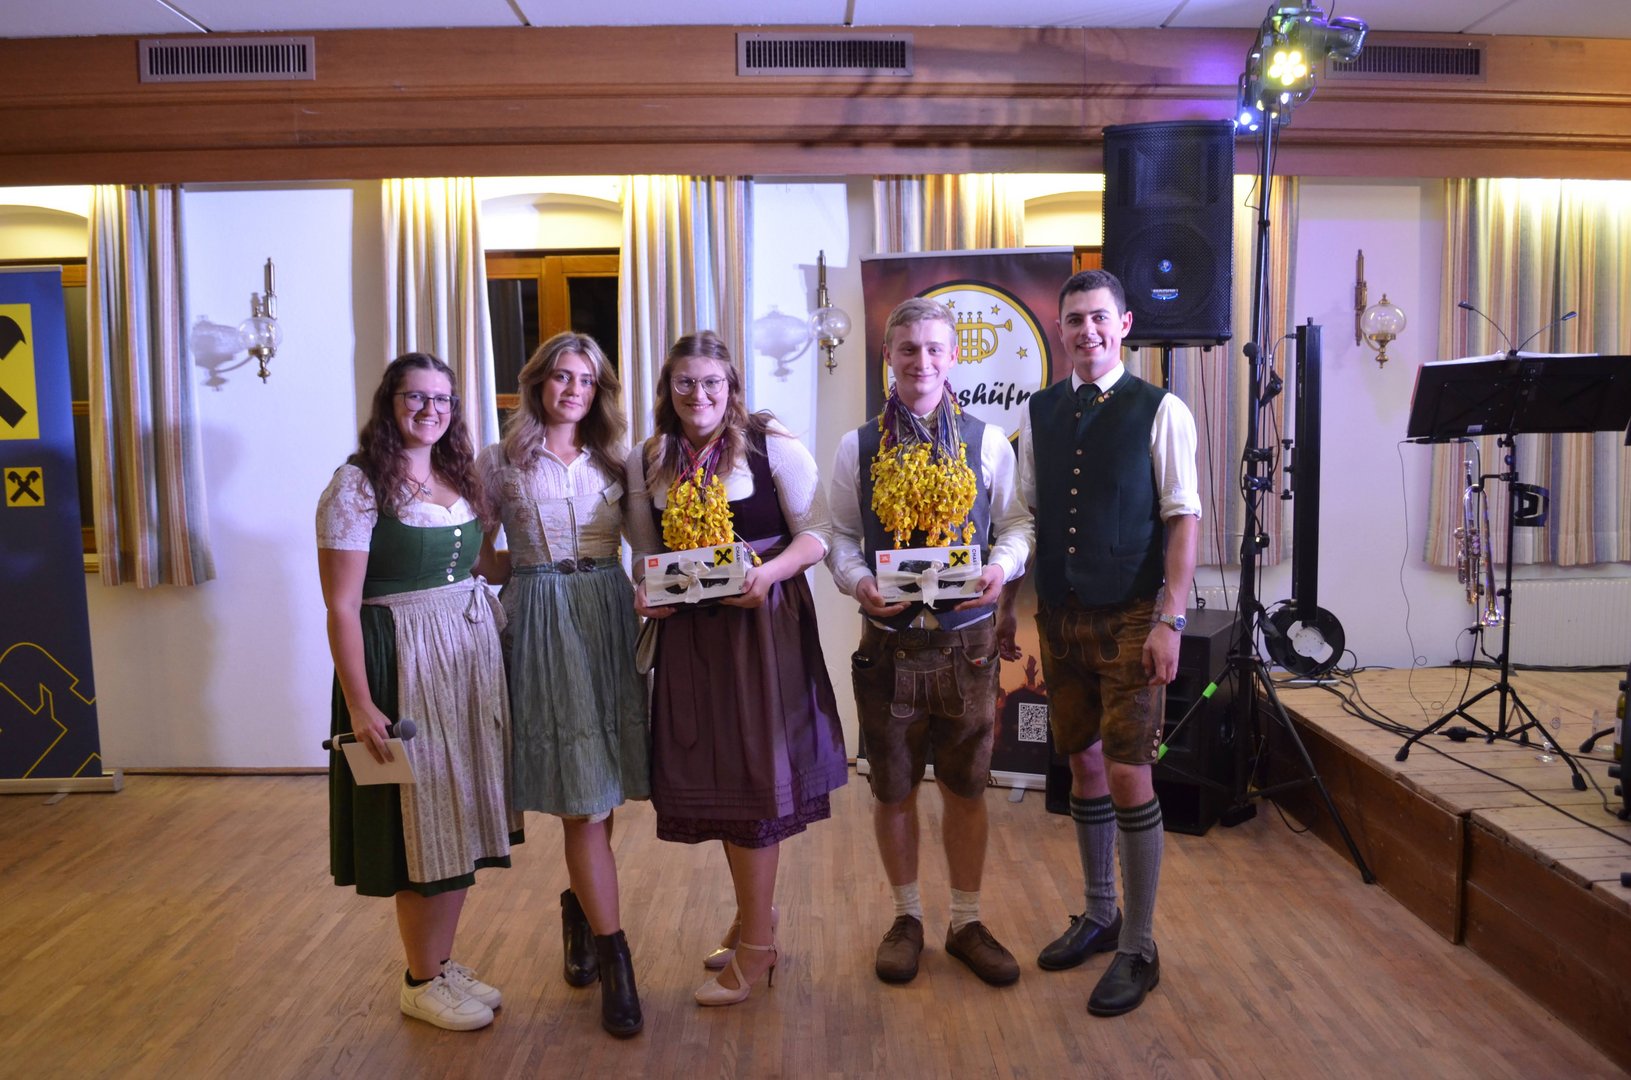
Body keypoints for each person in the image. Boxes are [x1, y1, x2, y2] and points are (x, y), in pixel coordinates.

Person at [626, 329, 848, 1007]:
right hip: (693, 635)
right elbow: (645, 554)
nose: (699, 394)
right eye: (685, 382)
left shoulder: (771, 444)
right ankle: (757, 919)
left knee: (755, 780)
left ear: (731, 388)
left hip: (761, 626)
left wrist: (769, 574)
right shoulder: (650, 458)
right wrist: (646, 594)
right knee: (723, 780)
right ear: (668, 389)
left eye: (711, 382)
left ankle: (757, 947)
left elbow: (819, 533)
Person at [1002, 269, 1200, 1017]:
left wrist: (1170, 619)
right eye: (1074, 319)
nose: (1086, 330)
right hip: (1060, 615)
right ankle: (1099, 912)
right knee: (1081, 764)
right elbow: (1026, 516)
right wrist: (1009, 608)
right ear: (1061, 330)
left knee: (1126, 772)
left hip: (1132, 616)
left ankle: (1139, 946)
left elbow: (1182, 517)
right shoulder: (1039, 411)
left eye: (1098, 318)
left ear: (1124, 326)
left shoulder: (1161, 408)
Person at [827, 298, 1033, 988]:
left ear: (954, 356)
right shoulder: (858, 446)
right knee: (892, 790)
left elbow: (1016, 525)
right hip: (888, 645)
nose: (921, 361)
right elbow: (841, 536)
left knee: (966, 789)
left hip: (966, 647)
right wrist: (857, 581)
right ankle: (907, 918)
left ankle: (966, 921)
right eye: (908, 348)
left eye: (934, 348)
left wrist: (1000, 567)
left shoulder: (987, 441)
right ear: (888, 355)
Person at [316, 352, 523, 1032]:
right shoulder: (356, 485)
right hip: (399, 658)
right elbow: (341, 606)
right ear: (390, 402)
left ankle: (439, 961)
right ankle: (419, 979)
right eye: (416, 396)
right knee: (419, 819)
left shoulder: (455, 476)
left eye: (442, 399)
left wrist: (555, 550)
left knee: (457, 812)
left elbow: (483, 565)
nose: (430, 409)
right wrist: (360, 703)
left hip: (465, 657)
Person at [474, 332, 647, 1038]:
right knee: (583, 800)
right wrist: (516, 581)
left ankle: (581, 906)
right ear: (537, 383)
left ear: (598, 390)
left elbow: (647, 549)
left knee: (600, 786)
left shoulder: (619, 459)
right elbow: (482, 556)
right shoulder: (498, 461)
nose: (573, 389)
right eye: (561, 376)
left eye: (585, 379)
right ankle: (615, 955)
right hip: (542, 617)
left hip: (608, 611)